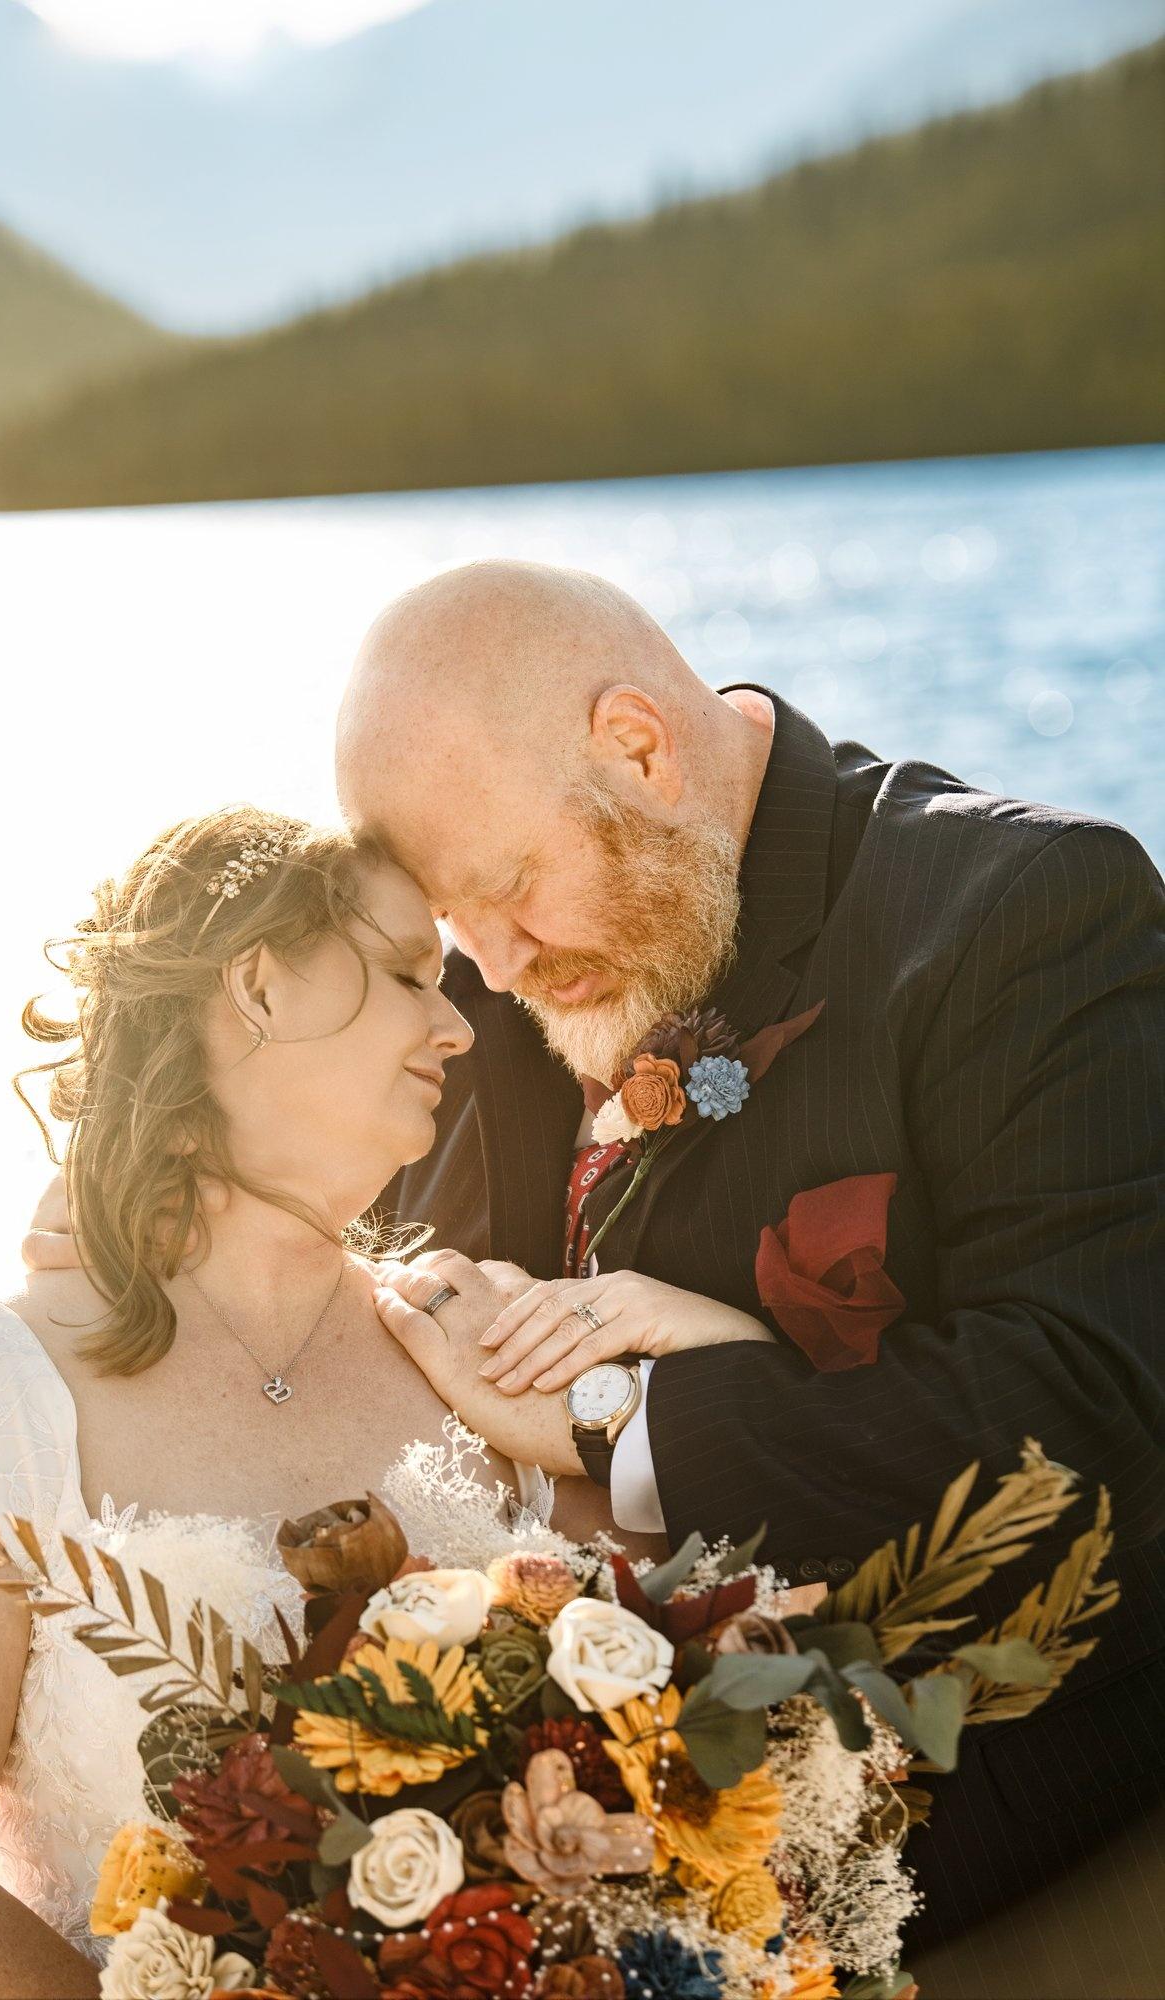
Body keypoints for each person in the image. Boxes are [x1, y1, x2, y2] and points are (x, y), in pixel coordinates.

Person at [337, 559, 1165, 1952]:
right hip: (544, 1781)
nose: (489, 966)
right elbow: (390, 1248)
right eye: (448, 922)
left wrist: (617, 1419)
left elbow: (1092, 1409)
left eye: (509, 889)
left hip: (934, 1778)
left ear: (640, 750)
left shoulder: (1022, 910)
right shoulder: (496, 974)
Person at [0, 807, 670, 1992]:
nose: (456, 1025)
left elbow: (665, 1711)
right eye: (404, 974)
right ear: (260, 985)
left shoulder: (477, 1344)